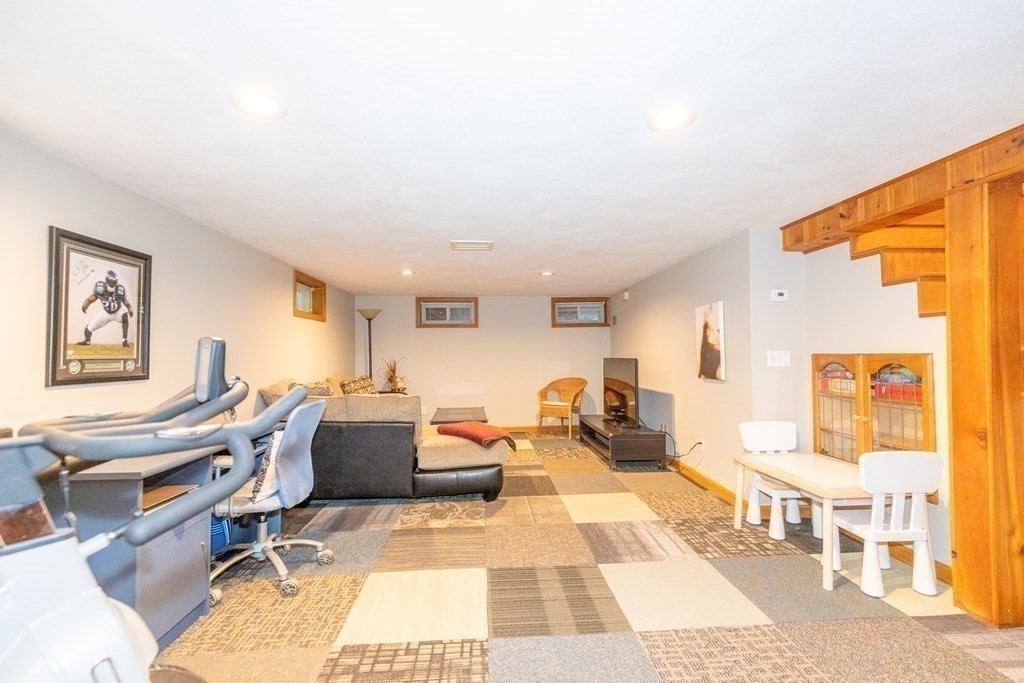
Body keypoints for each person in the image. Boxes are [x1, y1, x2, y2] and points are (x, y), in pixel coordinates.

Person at [78, 270, 134, 347]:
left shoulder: (120, 290)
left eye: (114, 282)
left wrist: (130, 310)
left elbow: (127, 303)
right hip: (106, 313)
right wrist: (85, 305)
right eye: (110, 281)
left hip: (118, 312)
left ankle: (124, 341)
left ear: (116, 282)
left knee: (125, 316)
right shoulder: (100, 289)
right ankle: (87, 341)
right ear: (106, 280)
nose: (112, 284)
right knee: (88, 329)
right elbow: (90, 299)